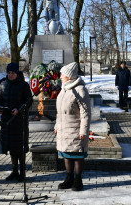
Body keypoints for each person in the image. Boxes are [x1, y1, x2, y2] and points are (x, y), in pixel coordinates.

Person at [55, 62, 91, 191]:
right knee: (67, 154)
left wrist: (84, 130)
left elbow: (86, 113)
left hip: (76, 128)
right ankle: (68, 178)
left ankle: (78, 179)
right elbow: (59, 112)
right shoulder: (63, 89)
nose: (60, 76)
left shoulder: (80, 90)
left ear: (69, 76)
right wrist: (56, 125)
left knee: (77, 155)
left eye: (62, 74)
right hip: (64, 128)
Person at [0, 62, 32, 182]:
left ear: (17, 73)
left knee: (19, 148)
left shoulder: (23, 85)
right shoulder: (3, 84)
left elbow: (29, 102)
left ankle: (22, 173)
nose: (10, 75)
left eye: (12, 73)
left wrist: (19, 109)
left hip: (19, 121)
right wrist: (0, 109)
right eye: (8, 73)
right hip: (7, 121)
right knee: (11, 147)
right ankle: (14, 171)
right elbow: (1, 100)